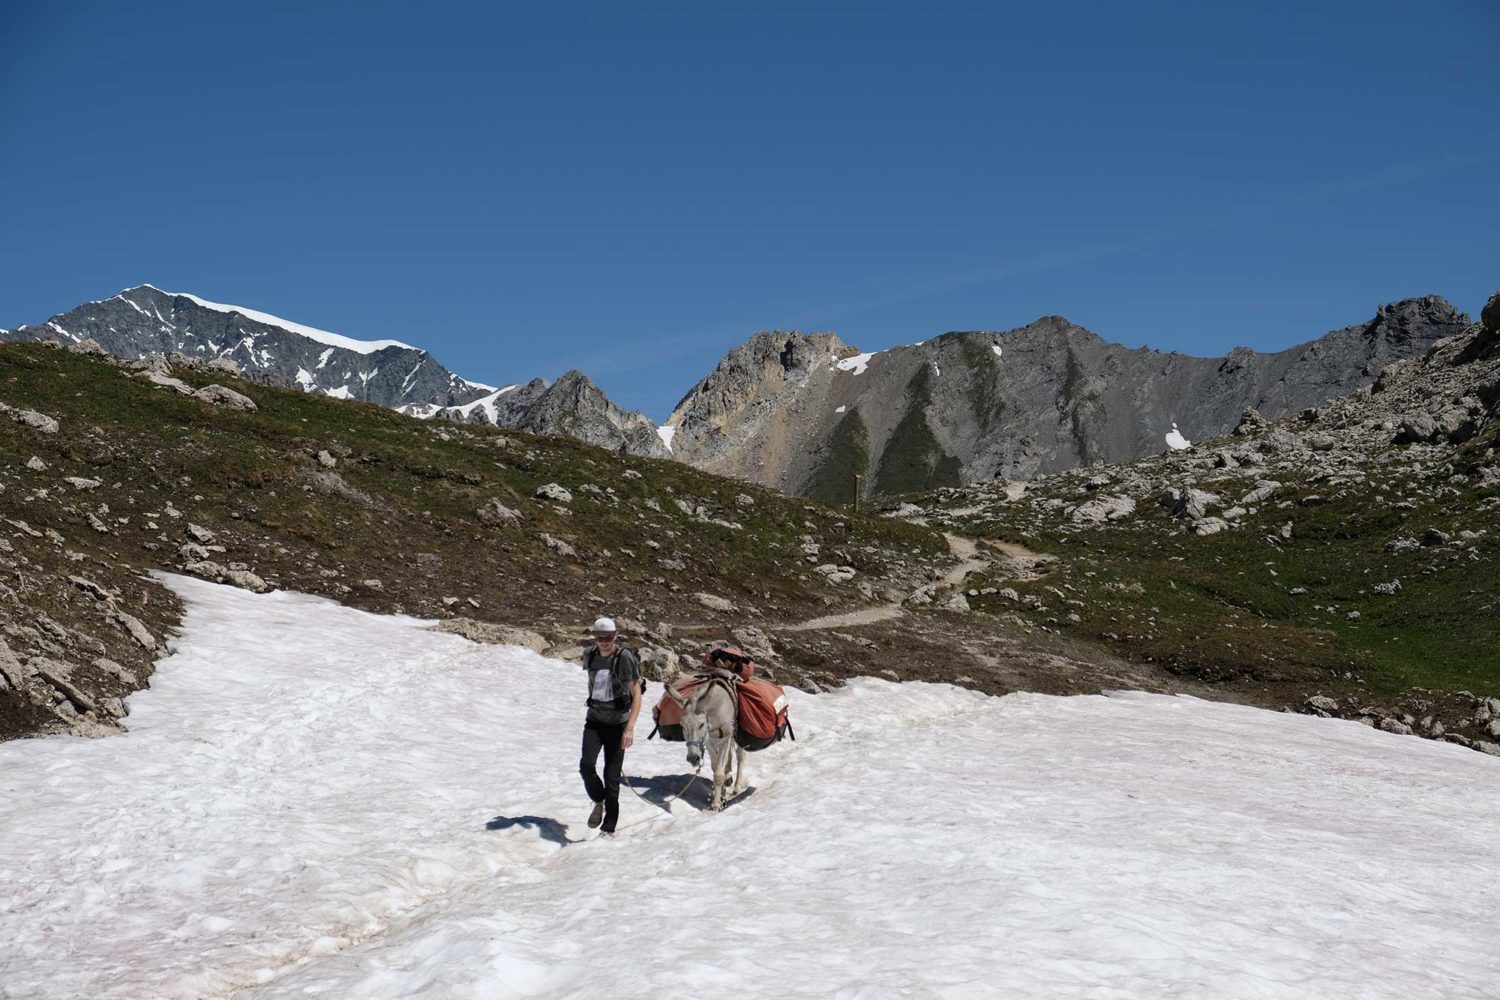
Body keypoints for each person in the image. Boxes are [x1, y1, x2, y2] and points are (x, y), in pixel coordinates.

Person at [579, 616, 641, 836]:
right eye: (599, 637)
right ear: (594, 637)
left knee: (612, 777)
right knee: (586, 766)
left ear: (615, 636)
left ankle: (608, 828)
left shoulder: (623, 658)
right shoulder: (590, 655)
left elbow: (636, 695)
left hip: (617, 725)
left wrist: (630, 728)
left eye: (608, 637)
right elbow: (591, 681)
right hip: (594, 721)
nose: (604, 641)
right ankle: (598, 800)